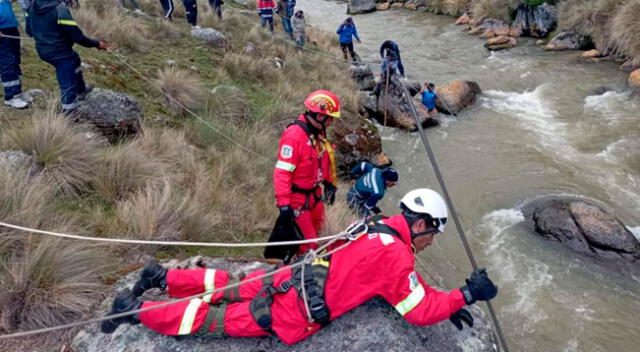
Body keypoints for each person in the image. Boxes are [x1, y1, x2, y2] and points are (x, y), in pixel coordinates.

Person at [100, 188, 498, 345]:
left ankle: (162, 277)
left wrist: (448, 301)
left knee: (230, 285)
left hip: (297, 276)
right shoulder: (396, 255)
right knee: (214, 320)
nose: (430, 243)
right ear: (423, 224)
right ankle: (135, 314)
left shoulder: (379, 224)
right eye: (433, 234)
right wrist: (463, 294)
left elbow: (406, 287)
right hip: (295, 309)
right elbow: (416, 309)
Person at [265, 90, 340, 262]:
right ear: (319, 116)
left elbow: (323, 159)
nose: (332, 122)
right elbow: (282, 172)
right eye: (330, 117)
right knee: (310, 245)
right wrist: (284, 205)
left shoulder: (316, 132)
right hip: (298, 201)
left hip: (315, 197)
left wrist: (329, 184)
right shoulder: (294, 136)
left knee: (319, 236)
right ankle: (300, 274)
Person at [27, 0, 109, 114]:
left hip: (43, 50)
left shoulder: (31, 6)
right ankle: (69, 111)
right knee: (67, 78)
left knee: (75, 59)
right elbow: (77, 36)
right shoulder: (60, 9)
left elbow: (29, 31)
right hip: (60, 53)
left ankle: (81, 90)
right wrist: (97, 44)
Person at [1, 0, 29, 109]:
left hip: (11, 26)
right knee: (8, 62)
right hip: (2, 31)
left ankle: (17, 92)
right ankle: (11, 97)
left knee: (16, 59)